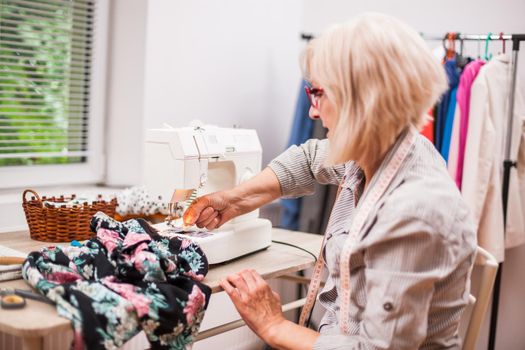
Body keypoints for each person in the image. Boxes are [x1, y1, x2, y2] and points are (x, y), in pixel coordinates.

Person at [183, 13, 477, 350]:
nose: (312, 112)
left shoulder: (414, 211)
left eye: (318, 94)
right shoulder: (382, 151)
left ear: (361, 101)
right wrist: (234, 201)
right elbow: (308, 160)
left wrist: (274, 326)